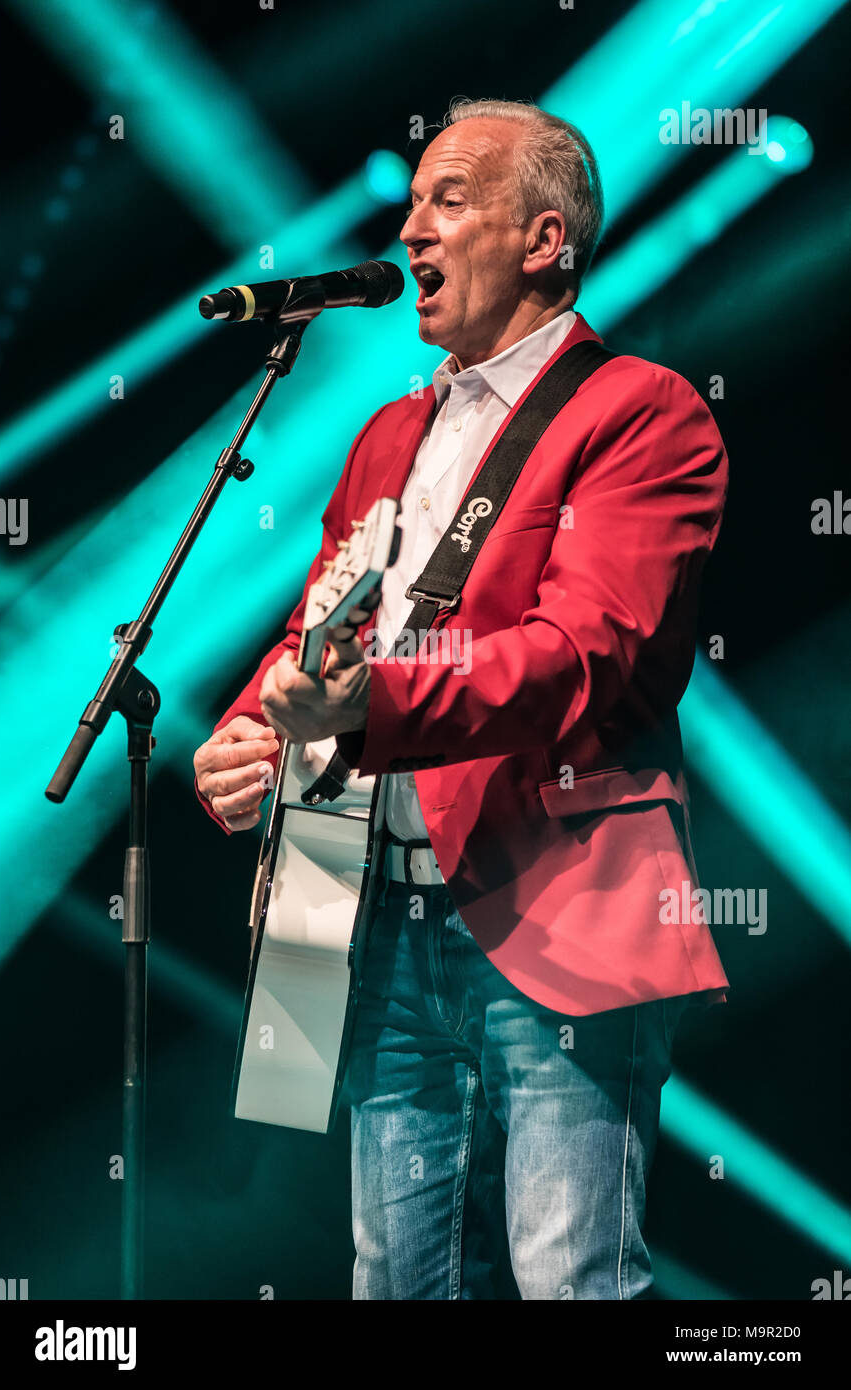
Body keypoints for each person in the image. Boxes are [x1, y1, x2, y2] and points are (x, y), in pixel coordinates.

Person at [193, 98, 730, 1300]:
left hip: (552, 896)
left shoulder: (639, 411)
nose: (412, 230)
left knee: (566, 1276)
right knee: (392, 1277)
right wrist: (249, 731)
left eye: (449, 199)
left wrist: (364, 707)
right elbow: (324, 623)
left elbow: (583, 651)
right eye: (412, 201)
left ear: (545, 240)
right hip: (369, 910)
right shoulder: (389, 432)